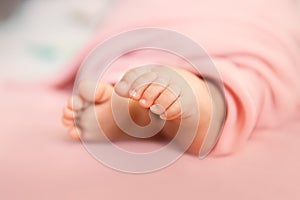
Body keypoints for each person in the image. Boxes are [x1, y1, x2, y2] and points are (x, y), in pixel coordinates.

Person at [61, 0, 300, 157]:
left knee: (135, 57)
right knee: (244, 76)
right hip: (244, 27)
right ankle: (189, 101)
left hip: (158, 30)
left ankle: (137, 102)